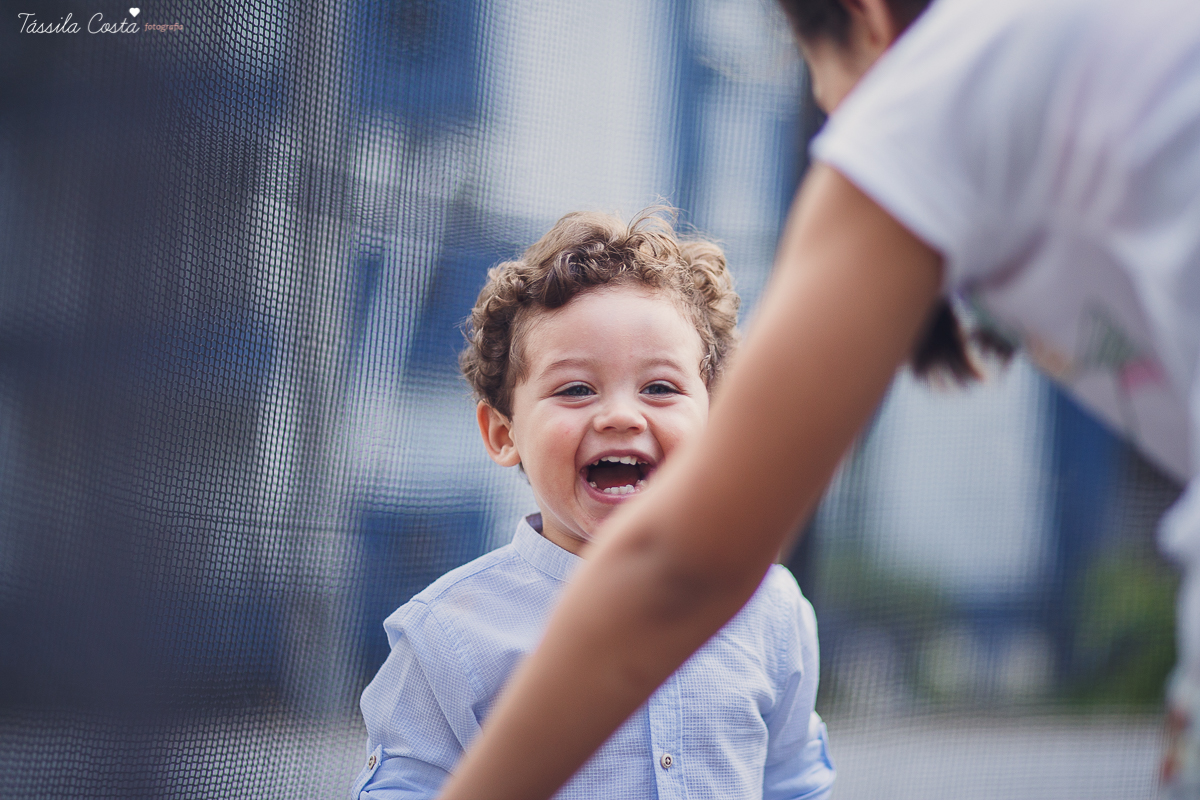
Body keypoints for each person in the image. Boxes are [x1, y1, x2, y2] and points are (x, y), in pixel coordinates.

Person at [432, 0, 1200, 798]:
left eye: (812, 70)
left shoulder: (938, 89)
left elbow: (684, 571)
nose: (834, 118)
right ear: (502, 429)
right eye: (576, 387)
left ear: (865, 17)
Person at [351, 209, 835, 799]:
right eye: (576, 388)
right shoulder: (445, 637)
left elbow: (793, 785)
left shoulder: (770, 610)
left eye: (660, 387)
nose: (622, 416)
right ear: (504, 433)